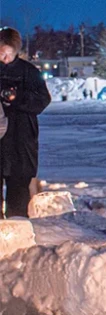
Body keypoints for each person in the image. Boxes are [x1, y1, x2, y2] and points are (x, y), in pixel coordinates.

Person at [0, 27, 52, 218]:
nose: (4, 58)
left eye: (7, 53)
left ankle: (18, 231)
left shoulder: (28, 72)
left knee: (19, 193)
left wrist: (18, 97)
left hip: (21, 142)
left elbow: (43, 100)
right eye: (0, 53)